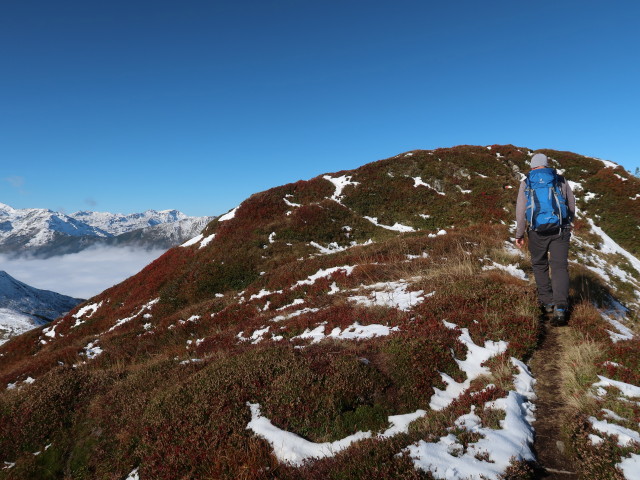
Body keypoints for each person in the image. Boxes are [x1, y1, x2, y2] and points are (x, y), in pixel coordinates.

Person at [515, 153, 575, 325]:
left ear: (533, 166)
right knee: (559, 267)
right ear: (547, 164)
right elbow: (571, 204)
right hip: (560, 230)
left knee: (540, 264)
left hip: (536, 231)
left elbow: (520, 210)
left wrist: (519, 234)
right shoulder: (560, 179)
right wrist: (568, 221)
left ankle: (547, 303)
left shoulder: (527, 182)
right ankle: (561, 308)